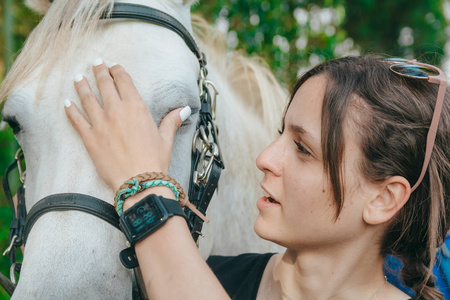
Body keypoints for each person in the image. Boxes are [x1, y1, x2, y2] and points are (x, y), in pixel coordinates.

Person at [64, 55, 450, 300]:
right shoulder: (211, 274)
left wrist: (142, 187)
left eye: (303, 148)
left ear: (383, 199)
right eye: (281, 133)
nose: (265, 158)